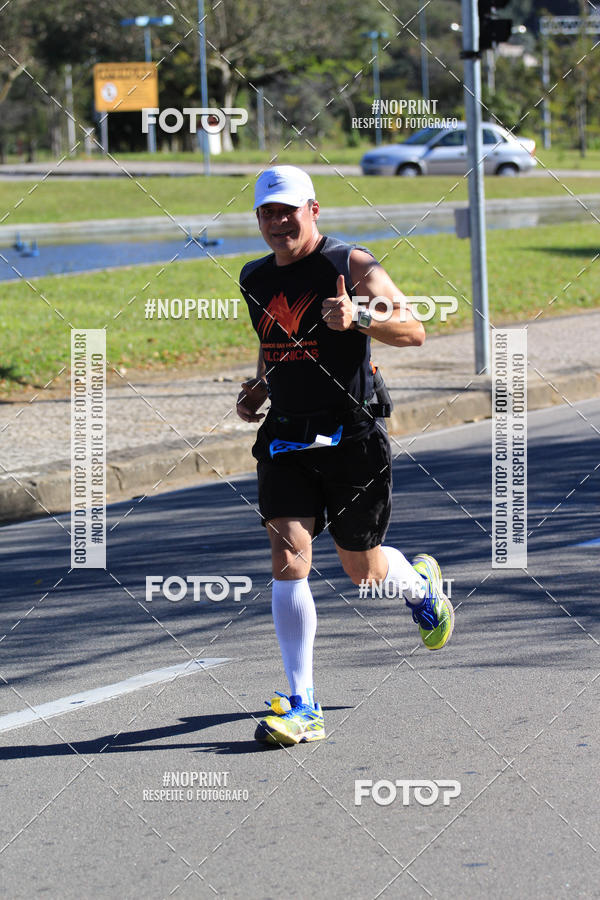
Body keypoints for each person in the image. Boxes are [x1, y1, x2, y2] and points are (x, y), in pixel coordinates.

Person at [236, 165, 454, 747]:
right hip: (286, 437)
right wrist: (259, 386)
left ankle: (420, 587)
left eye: (288, 211)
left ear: (313, 209)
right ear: (258, 218)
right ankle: (303, 703)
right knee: (289, 559)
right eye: (267, 213)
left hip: (352, 437)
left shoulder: (351, 265)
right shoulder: (254, 276)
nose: (278, 222)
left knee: (364, 571)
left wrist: (359, 316)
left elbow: (414, 328)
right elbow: (271, 338)